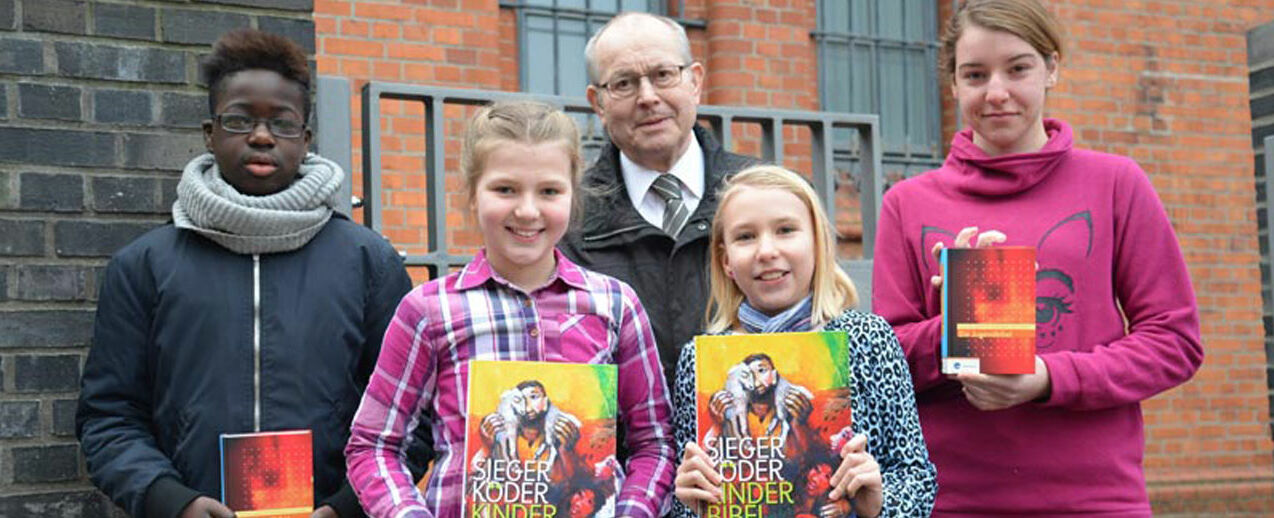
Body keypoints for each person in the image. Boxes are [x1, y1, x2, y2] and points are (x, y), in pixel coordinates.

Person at [871, 0, 1204, 515]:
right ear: (954, 84)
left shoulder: (1116, 183)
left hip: (1095, 498)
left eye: (1018, 68)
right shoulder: (907, 202)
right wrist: (956, 325)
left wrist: (1047, 378)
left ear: (1052, 68)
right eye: (975, 74)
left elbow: (1174, 342)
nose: (997, 92)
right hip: (951, 499)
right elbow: (882, 361)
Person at [76, 28, 426, 518]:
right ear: (209, 133)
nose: (261, 136)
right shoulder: (145, 266)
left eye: (281, 123)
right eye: (240, 120)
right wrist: (173, 502)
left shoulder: (368, 262)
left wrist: (346, 507)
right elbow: (109, 417)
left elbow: (410, 417)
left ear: (304, 140)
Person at [345, 100, 676, 518]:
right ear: (472, 193)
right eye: (505, 189)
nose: (527, 210)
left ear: (573, 196)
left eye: (549, 191)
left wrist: (632, 511)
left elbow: (655, 443)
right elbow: (374, 445)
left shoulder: (616, 305)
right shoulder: (429, 310)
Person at [671, 165, 936, 518]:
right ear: (726, 261)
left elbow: (916, 477)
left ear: (817, 244)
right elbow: (687, 499)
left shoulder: (867, 339)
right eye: (746, 237)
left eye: (785, 230)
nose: (766, 250)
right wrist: (690, 500)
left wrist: (879, 503)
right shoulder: (699, 361)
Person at [560, 12, 755, 383]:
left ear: (695, 82)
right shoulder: (567, 220)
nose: (648, 97)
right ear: (597, 102)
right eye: (624, 83)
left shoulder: (766, 197)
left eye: (663, 75)